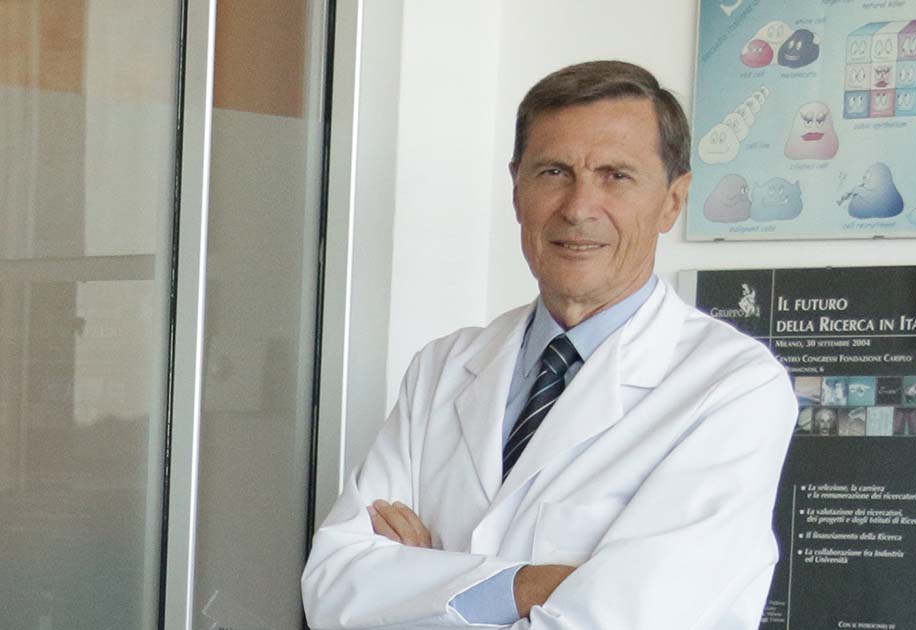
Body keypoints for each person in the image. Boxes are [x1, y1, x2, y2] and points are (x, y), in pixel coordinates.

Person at [301, 60, 797, 629]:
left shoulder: (732, 388)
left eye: (616, 175)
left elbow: (629, 620)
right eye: (555, 172)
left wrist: (423, 583)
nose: (578, 207)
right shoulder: (443, 367)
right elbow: (332, 590)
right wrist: (532, 583)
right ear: (517, 188)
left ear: (673, 201)